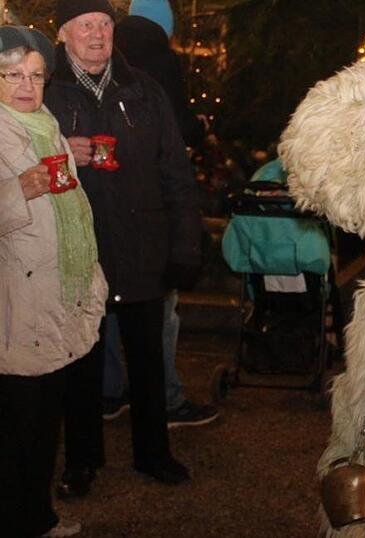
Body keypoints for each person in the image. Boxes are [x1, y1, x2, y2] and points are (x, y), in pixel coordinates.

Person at [44, 0, 202, 496]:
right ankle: (83, 460)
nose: (97, 35)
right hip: (78, 248)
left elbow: (175, 172)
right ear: (64, 34)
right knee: (81, 360)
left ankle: (154, 452)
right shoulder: (44, 93)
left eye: (104, 26)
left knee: (148, 357)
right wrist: (63, 155)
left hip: (142, 244)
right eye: (85, 25)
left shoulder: (144, 90)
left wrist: (185, 246)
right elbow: (18, 167)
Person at [0, 25, 107, 537]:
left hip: (54, 291)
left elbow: (73, 210)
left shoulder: (46, 126)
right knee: (19, 427)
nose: (27, 86)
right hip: (15, 302)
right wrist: (15, 191)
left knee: (42, 423)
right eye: (13, 74)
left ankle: (36, 517)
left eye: (37, 76)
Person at [100, 0, 218, 428]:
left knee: (108, 298)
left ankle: (110, 391)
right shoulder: (160, 62)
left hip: (110, 197)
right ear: (164, 26)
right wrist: (200, 129)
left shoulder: (106, 55)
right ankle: (165, 397)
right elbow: (174, 132)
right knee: (161, 305)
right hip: (152, 203)